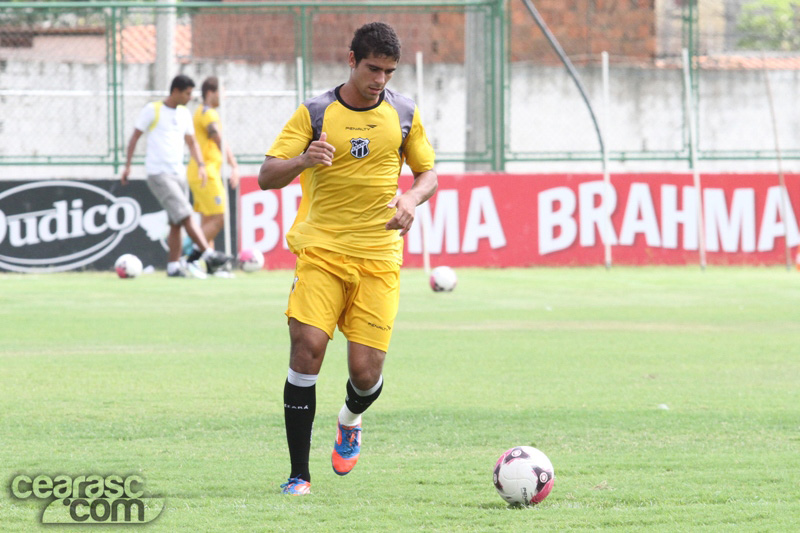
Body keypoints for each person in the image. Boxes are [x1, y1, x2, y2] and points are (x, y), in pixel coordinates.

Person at [258, 22, 438, 495]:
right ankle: (299, 474)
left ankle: (350, 419)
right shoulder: (316, 112)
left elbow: (428, 174)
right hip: (321, 252)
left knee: (365, 373)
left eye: (389, 71)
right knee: (306, 348)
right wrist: (302, 160)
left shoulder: (403, 113)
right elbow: (266, 175)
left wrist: (410, 201)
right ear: (352, 60)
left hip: (378, 256)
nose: (380, 80)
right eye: (373, 68)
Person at [120, 74, 231, 277]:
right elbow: (135, 137)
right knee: (186, 213)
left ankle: (173, 267)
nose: (190, 97)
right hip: (159, 174)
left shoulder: (184, 114)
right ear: (176, 91)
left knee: (176, 222)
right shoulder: (153, 110)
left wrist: (200, 165)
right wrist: (127, 166)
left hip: (178, 173)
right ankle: (207, 254)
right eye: (187, 93)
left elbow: (191, 142)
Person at [185, 76, 240, 262]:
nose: (224, 95)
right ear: (210, 93)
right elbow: (218, 139)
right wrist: (234, 164)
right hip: (205, 173)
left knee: (207, 222)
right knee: (219, 218)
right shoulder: (208, 113)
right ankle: (189, 257)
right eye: (221, 91)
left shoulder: (201, 111)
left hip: (200, 173)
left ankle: (208, 264)